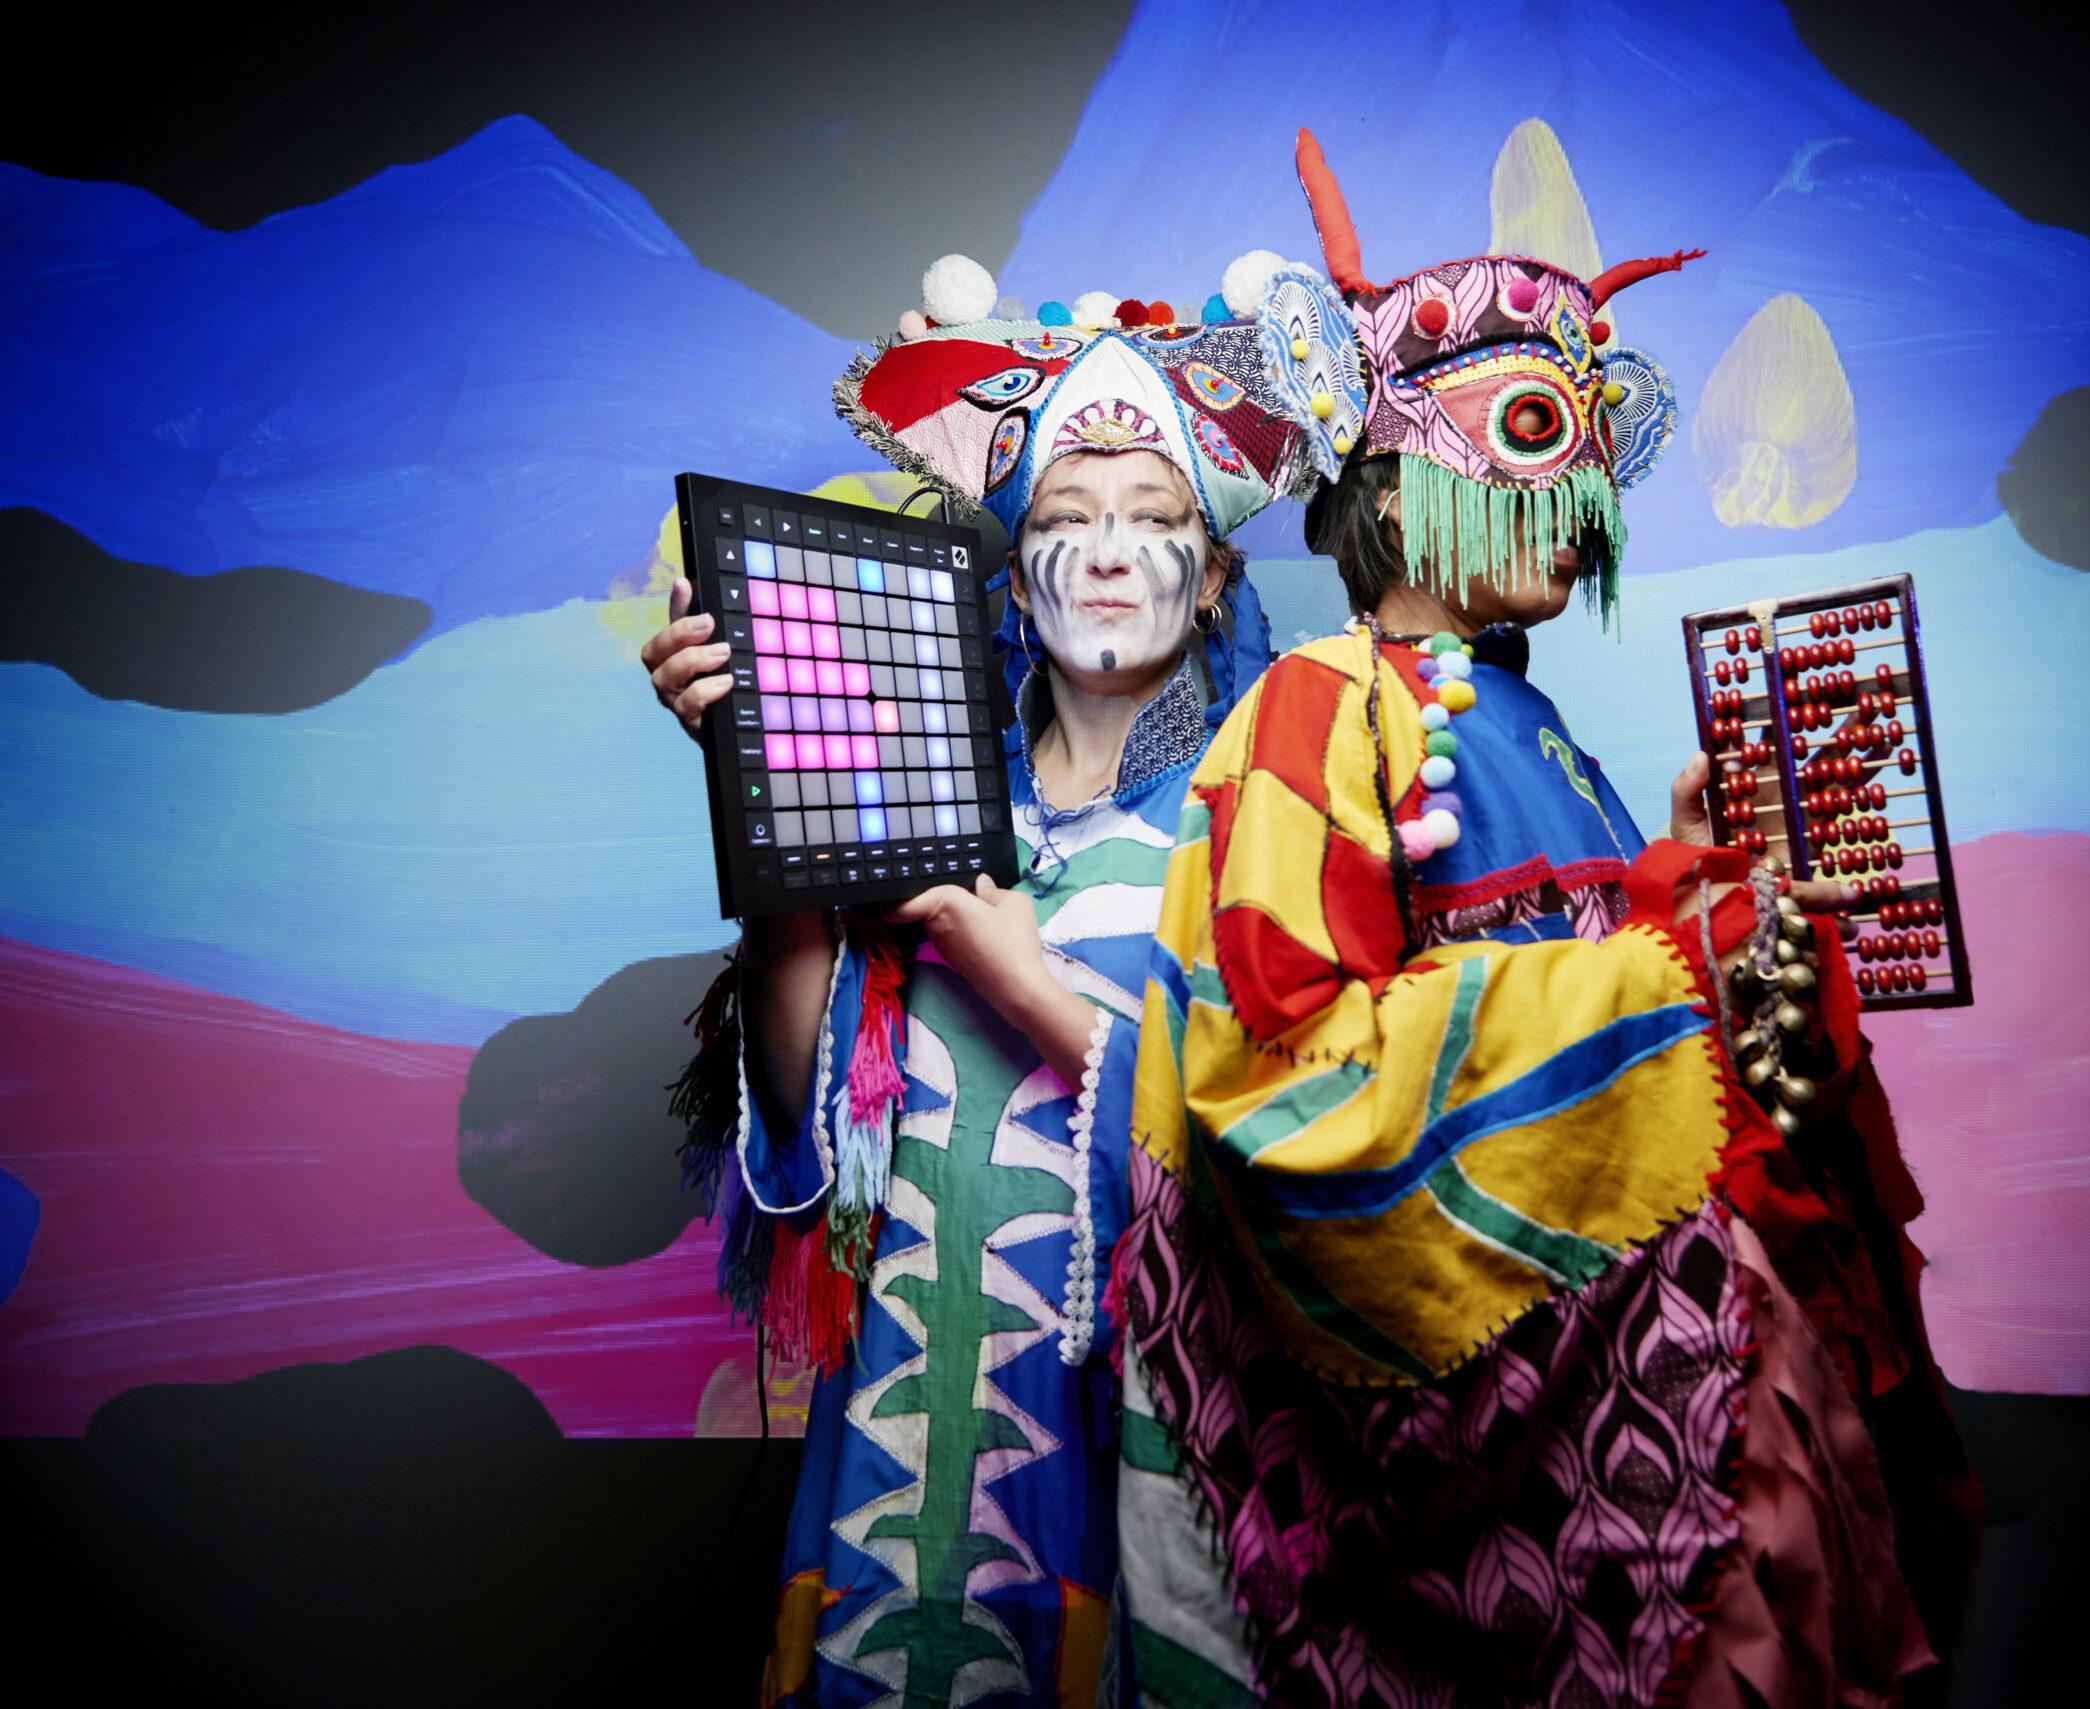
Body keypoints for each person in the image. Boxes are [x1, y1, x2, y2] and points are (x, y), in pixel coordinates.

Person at [1111, 135, 1975, 1707]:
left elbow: (1629, 995)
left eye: (1594, 477)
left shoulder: (1538, 728)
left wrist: (1684, 880)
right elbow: (1292, 1076)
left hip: (1688, 1368)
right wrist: (1661, 971)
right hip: (1517, 1422)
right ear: (1399, 484)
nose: (1583, 516)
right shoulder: (1317, 708)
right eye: (1537, 455)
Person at [642, 254, 1358, 1707]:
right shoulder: (919, 800)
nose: (1107, 553)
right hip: (892, 1441)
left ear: (1218, 572)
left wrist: (1021, 978)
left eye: (1154, 519)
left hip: (1129, 1442)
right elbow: (812, 1136)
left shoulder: (1263, 819)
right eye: (1064, 518)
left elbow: (1289, 1171)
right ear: (1014, 568)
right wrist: (759, 788)